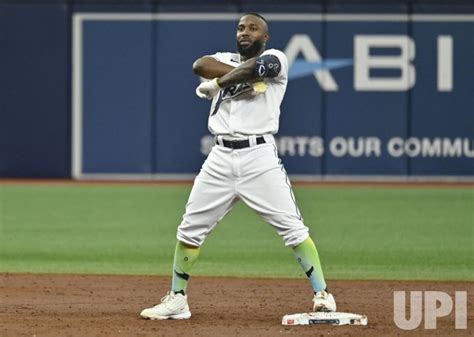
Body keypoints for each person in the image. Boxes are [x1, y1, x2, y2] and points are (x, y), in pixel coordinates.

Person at [140, 13, 336, 320]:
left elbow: (261, 68)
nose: (246, 32)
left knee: (293, 229)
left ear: (265, 36)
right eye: (241, 27)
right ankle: (177, 299)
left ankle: (323, 294)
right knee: (189, 229)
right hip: (219, 157)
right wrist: (242, 74)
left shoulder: (277, 58)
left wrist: (219, 82)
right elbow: (199, 65)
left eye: (253, 28)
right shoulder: (223, 57)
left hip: (259, 158)